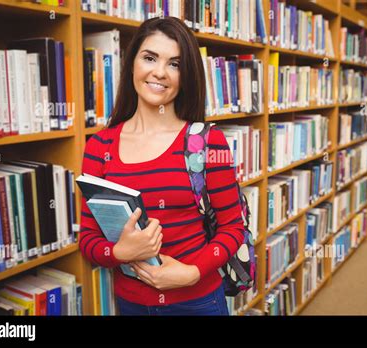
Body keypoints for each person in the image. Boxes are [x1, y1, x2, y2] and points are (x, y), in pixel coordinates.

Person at [79, 16, 245, 316]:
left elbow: (233, 227)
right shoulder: (99, 147)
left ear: (186, 75)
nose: (159, 72)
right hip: (130, 305)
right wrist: (119, 252)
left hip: (198, 302)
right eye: (150, 58)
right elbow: (88, 240)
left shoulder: (208, 143)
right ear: (132, 63)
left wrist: (193, 272)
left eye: (175, 64)